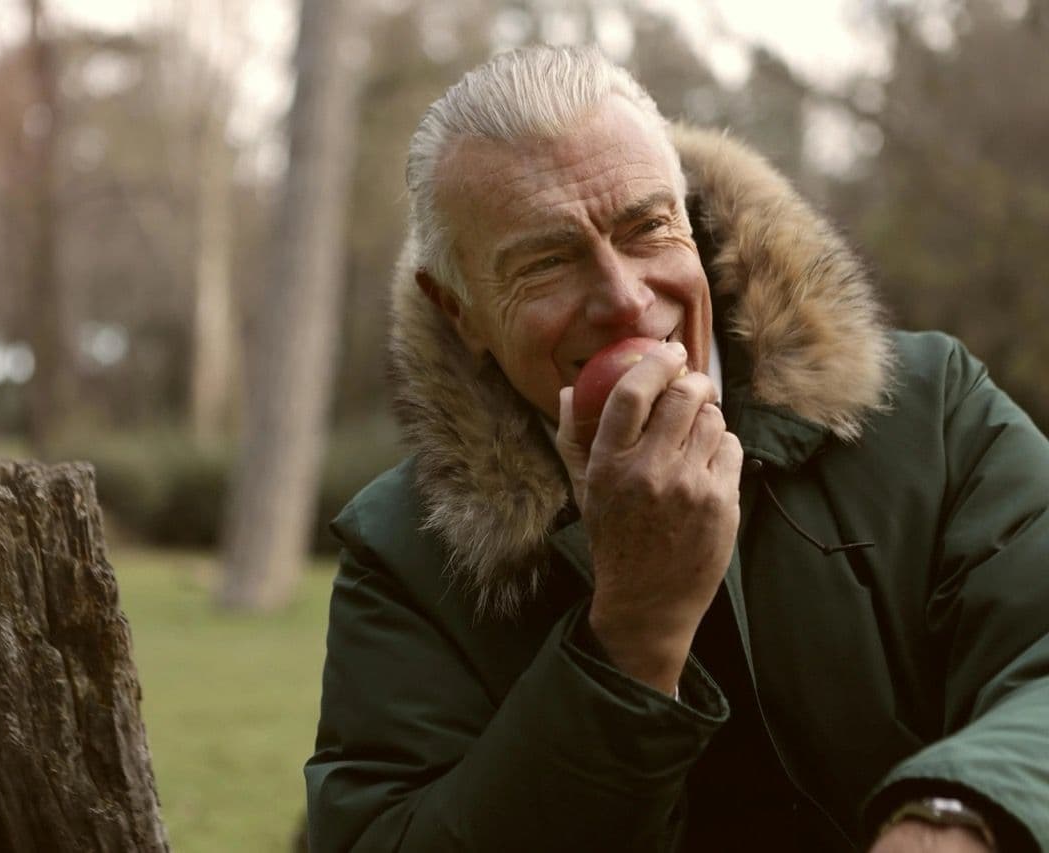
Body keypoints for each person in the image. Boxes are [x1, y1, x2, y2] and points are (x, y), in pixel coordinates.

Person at [304, 45, 1049, 852]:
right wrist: (632, 628)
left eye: (647, 227)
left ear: (691, 219)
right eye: (547, 262)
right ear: (460, 311)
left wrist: (956, 816)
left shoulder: (930, 411)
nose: (625, 299)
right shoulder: (405, 556)